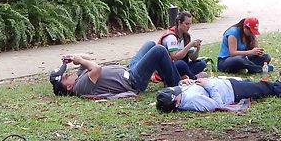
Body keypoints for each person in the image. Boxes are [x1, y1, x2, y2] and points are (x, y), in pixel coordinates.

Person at [48, 41, 181, 98]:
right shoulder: (80, 87)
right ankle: (175, 84)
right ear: (69, 87)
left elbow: (88, 57)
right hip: (133, 80)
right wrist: (81, 61)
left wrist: (72, 57)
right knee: (159, 50)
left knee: (150, 44)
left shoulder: (79, 75)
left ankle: (166, 74)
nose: (67, 74)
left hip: (128, 69)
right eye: (65, 77)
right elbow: (97, 69)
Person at [156, 73, 281, 113]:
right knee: (267, 88)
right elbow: (217, 105)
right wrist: (208, 85)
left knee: (262, 84)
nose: (177, 91)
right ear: (176, 103)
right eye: (175, 93)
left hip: (227, 82)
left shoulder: (182, 94)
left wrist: (183, 83)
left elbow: (180, 89)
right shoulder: (193, 102)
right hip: (232, 92)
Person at [158, 11, 207, 78]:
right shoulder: (171, 36)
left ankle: (184, 76)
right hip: (169, 67)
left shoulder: (186, 36)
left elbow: (193, 58)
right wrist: (189, 45)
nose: (189, 26)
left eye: (190, 24)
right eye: (186, 24)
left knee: (201, 63)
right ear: (179, 22)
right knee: (181, 64)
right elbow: (175, 57)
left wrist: (198, 48)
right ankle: (193, 77)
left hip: (182, 65)